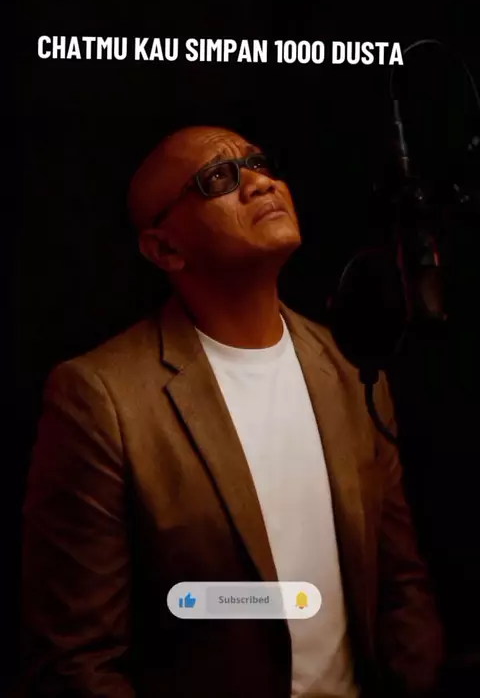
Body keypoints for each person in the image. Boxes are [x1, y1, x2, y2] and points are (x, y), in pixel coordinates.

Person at [19, 125, 444, 698]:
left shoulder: (351, 367)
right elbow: (77, 660)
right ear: (165, 249)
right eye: (219, 177)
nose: (261, 183)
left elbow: (401, 584)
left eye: (260, 163)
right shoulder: (100, 399)